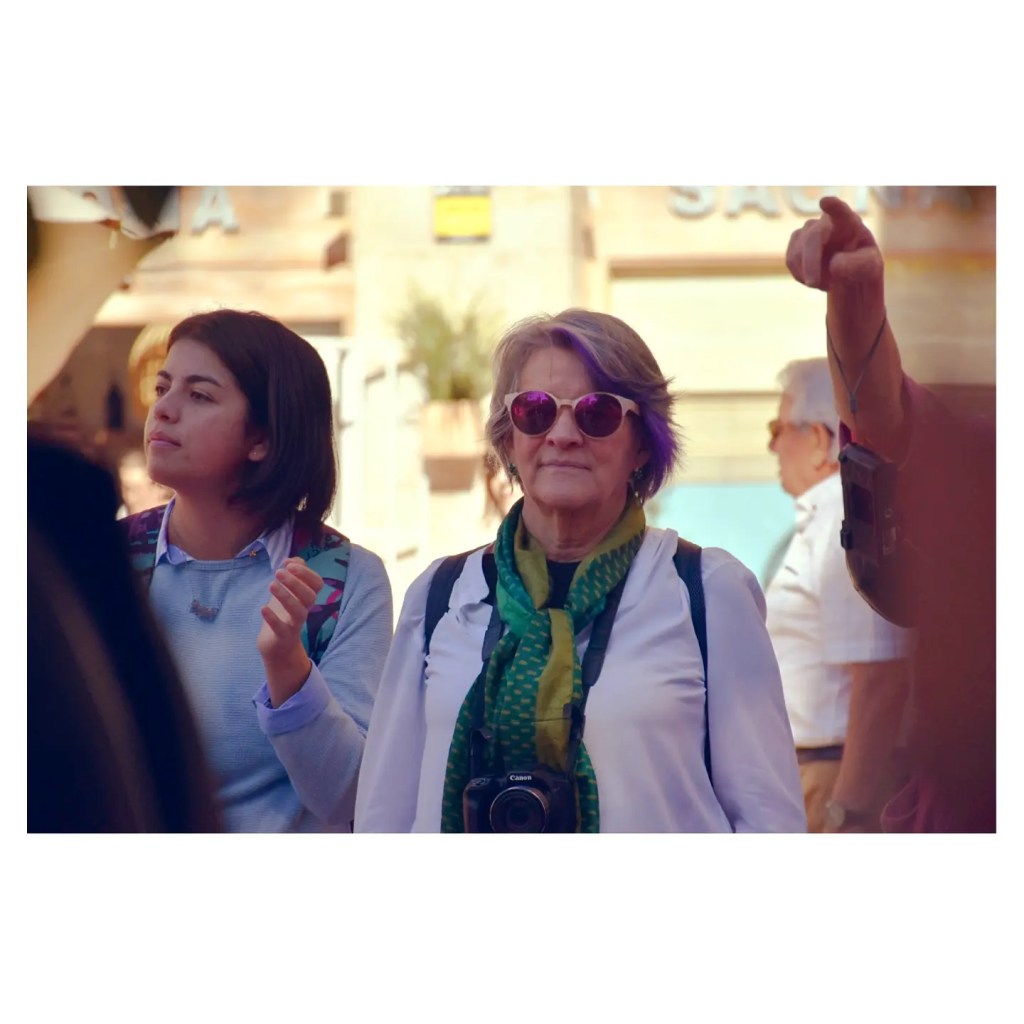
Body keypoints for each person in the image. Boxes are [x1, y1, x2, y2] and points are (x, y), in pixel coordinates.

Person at [355, 308, 806, 832]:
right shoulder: (440, 595)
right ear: (509, 439)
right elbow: (383, 817)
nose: (563, 434)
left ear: (642, 444)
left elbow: (769, 821)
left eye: (597, 412)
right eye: (535, 410)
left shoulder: (707, 590)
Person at [121, 309, 393, 832]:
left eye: (199, 395)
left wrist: (289, 670)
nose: (164, 409)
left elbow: (351, 799)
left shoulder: (344, 580)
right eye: (162, 387)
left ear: (262, 438)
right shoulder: (107, 561)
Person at [786, 197, 995, 832]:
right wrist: (854, 302)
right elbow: (882, 416)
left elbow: (877, 680)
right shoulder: (981, 452)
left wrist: (846, 814)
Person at [765, 357, 911, 833]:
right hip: (815, 768)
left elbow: (880, 676)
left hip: (833, 774)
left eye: (778, 428)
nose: (771, 445)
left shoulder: (840, 522)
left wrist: (847, 812)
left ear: (817, 439)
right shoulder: (828, 520)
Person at [116, 446, 172, 518]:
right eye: (124, 489)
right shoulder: (123, 515)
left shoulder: (176, 517)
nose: (129, 498)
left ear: (158, 487)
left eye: (134, 489)